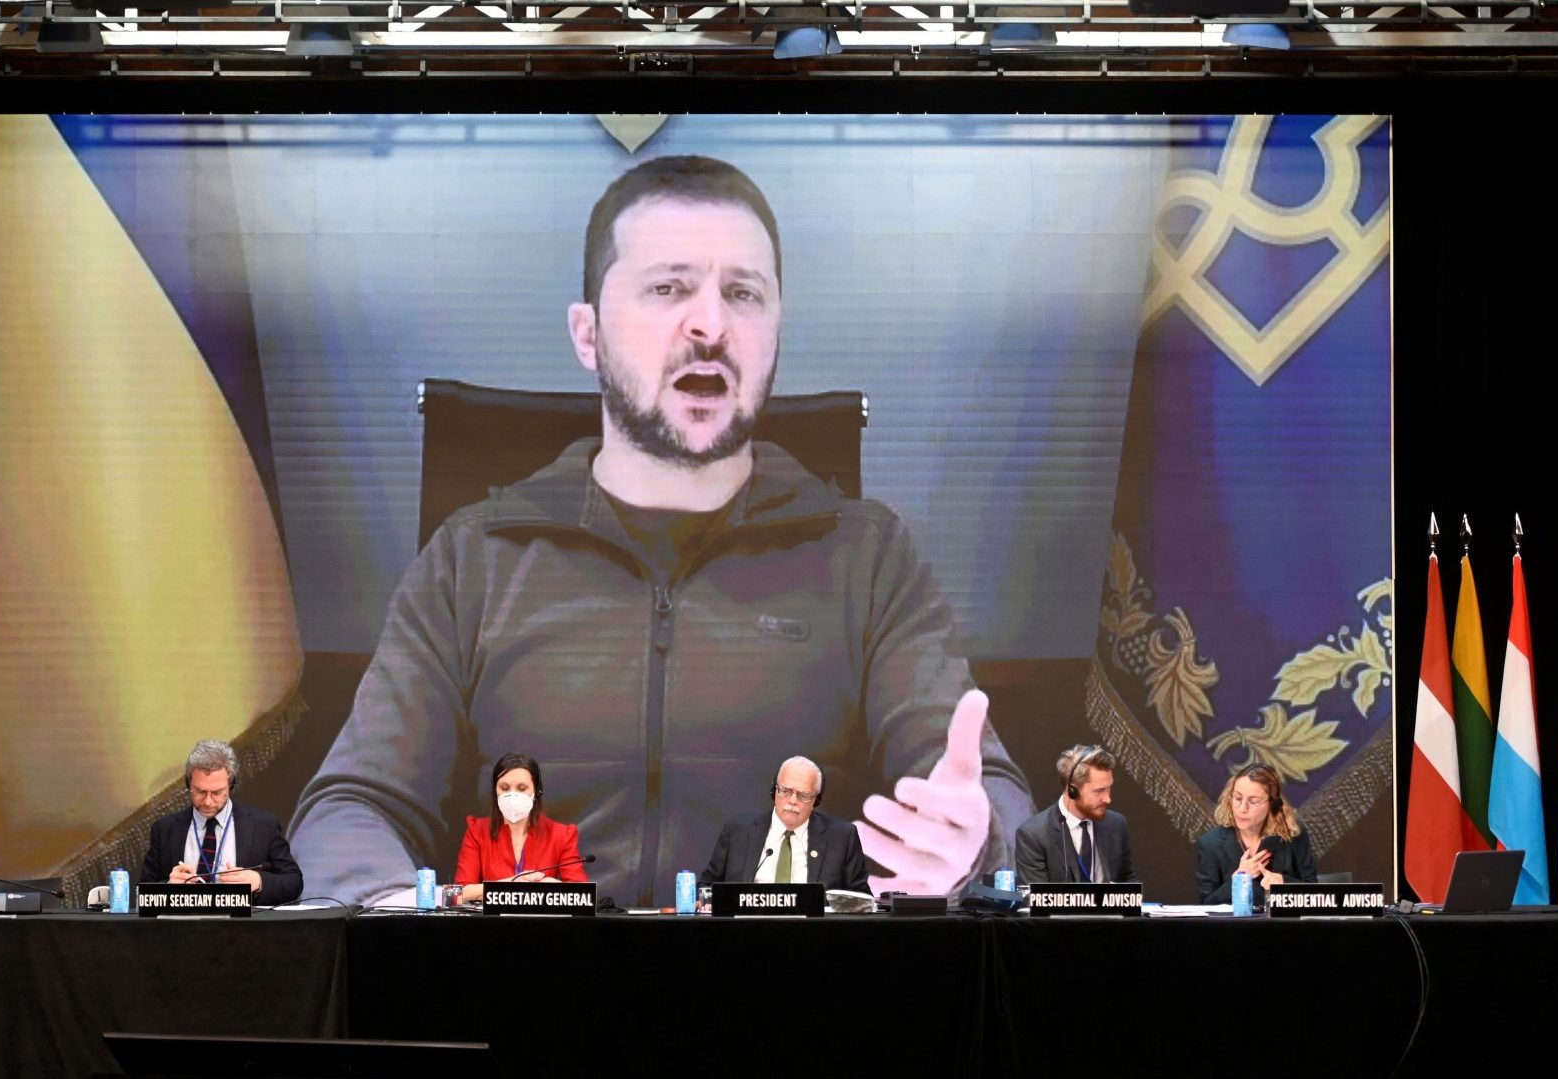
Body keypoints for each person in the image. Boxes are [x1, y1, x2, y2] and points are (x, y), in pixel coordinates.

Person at [290, 154, 1031, 908]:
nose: (710, 324)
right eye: (668, 288)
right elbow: (349, 807)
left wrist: (978, 843)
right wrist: (396, 912)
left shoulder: (870, 559)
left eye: (744, 294)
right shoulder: (473, 560)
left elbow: (986, 795)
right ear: (588, 335)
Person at [140, 739, 304, 906]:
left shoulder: (262, 826)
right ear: (188, 784)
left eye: (217, 793)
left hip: (244, 929)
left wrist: (258, 882)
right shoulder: (165, 829)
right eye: (200, 792)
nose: (208, 802)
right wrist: (168, 887)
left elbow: (294, 882)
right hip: (183, 929)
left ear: (231, 785)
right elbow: (142, 892)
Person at [700, 756, 869, 892]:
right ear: (774, 792)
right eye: (786, 791)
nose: (792, 801)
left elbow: (861, 901)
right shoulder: (738, 831)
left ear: (815, 801)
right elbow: (706, 887)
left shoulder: (841, 837)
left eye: (803, 795)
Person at [454, 753, 590, 902]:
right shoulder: (477, 830)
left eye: (521, 788)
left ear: (536, 792)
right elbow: (458, 895)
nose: (513, 795)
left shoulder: (561, 834)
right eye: (504, 788)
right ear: (495, 791)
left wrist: (548, 885)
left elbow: (582, 895)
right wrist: (512, 883)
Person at [1012, 744, 1135, 885]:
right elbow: (1037, 899)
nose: (1108, 799)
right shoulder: (1033, 835)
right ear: (1072, 790)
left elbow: (1128, 880)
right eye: (1099, 791)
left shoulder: (1116, 824)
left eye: (1108, 789)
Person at [1195, 763, 1318, 903]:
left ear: (1272, 803)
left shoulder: (1293, 835)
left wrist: (1284, 883)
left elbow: (1314, 894)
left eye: (1253, 801)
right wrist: (1238, 879)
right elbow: (1206, 904)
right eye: (1237, 798)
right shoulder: (1210, 844)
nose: (1242, 808)